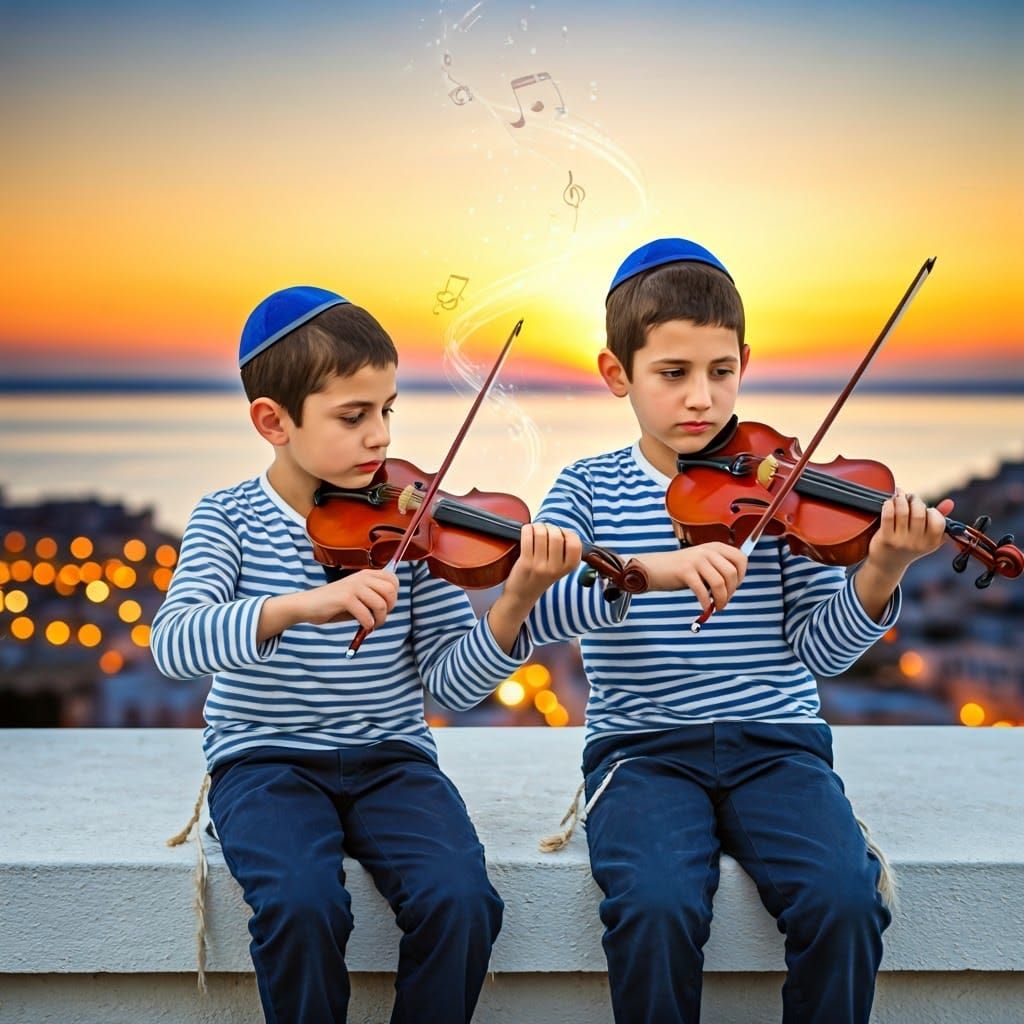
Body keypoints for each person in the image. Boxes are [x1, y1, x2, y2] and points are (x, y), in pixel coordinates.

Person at [529, 239, 953, 1024]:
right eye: (673, 374)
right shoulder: (587, 488)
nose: (701, 399)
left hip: (779, 745)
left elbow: (819, 650)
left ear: (745, 363)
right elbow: (532, 620)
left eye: (721, 372)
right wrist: (645, 569)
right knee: (654, 908)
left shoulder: (779, 481)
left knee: (844, 903)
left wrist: (883, 566)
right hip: (643, 749)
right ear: (617, 374)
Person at [151, 285, 584, 1024]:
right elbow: (175, 642)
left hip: (392, 759)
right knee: (300, 903)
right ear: (273, 421)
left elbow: (449, 684)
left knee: (463, 900)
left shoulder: (409, 526)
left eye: (387, 410)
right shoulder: (226, 518)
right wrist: (299, 606)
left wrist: (513, 605)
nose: (380, 437)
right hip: (265, 760)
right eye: (353, 417)